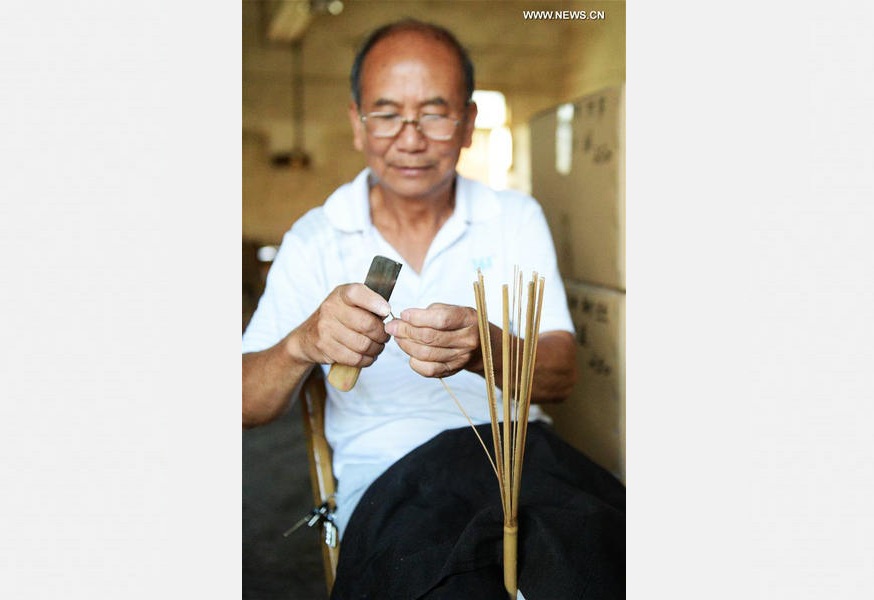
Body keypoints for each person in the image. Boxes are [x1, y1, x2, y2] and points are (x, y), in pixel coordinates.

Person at [242, 19, 624, 599]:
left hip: (521, 457)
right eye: (388, 113)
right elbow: (243, 404)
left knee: (604, 560)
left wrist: (484, 348)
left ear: (468, 124)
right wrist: (304, 341)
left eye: (436, 113)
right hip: (394, 479)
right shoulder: (316, 239)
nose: (411, 138)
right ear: (356, 123)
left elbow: (562, 375)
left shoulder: (513, 218)